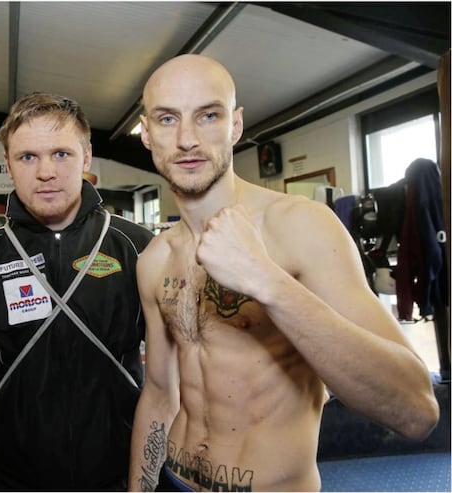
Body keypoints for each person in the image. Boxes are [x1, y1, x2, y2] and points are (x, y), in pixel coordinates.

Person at [128, 54, 440, 492]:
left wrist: (267, 281)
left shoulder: (301, 226)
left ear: (235, 126)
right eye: (166, 119)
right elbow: (160, 394)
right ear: (147, 133)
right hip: (174, 481)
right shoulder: (154, 259)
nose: (186, 139)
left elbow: (416, 410)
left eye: (208, 115)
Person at [0, 92, 155, 490]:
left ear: (86, 158)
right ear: (8, 165)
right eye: (28, 157)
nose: (46, 172)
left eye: (61, 154)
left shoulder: (143, 250)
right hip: (14, 481)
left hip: (118, 479)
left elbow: (182, 375)